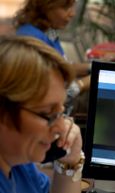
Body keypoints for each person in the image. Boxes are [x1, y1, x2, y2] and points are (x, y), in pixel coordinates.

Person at [0, 36, 84, 193]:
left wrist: (70, 161)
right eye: (47, 113)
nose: (61, 127)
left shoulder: (20, 163)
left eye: (61, 111)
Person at [13, 0, 91, 115]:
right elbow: (49, 100)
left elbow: (63, 67)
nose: (73, 13)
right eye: (66, 8)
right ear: (46, 6)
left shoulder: (47, 30)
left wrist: (94, 66)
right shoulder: (32, 42)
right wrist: (85, 83)